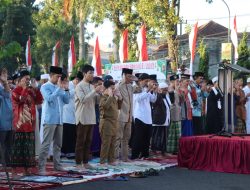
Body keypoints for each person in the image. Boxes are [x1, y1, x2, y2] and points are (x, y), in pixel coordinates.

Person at [11, 70, 43, 175]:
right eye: (26, 79)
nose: (28, 81)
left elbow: (39, 100)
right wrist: (25, 89)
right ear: (20, 80)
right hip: (19, 124)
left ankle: (27, 170)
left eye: (29, 79)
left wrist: (36, 89)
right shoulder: (15, 91)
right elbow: (21, 99)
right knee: (17, 148)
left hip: (30, 124)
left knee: (28, 148)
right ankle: (14, 172)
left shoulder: (30, 90)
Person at [38, 66, 69, 174]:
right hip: (50, 119)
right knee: (46, 144)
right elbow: (50, 98)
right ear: (51, 75)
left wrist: (66, 89)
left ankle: (57, 165)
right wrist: (59, 89)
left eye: (60, 77)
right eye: (57, 76)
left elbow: (66, 101)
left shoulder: (59, 86)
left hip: (60, 119)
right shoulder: (45, 86)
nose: (59, 79)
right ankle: (41, 167)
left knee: (58, 144)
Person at [75, 65, 103, 169]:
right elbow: (83, 99)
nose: (92, 75)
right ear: (84, 74)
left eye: (93, 73)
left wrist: (100, 94)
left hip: (91, 117)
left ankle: (85, 162)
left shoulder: (92, 87)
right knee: (80, 142)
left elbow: (97, 102)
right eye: (90, 73)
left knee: (88, 142)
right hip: (82, 117)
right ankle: (78, 163)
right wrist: (95, 91)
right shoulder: (79, 86)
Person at [131, 73, 157, 159]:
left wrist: (154, 91)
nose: (147, 83)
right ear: (140, 81)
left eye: (148, 81)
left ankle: (145, 154)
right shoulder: (136, 88)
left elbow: (153, 100)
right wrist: (148, 90)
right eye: (146, 81)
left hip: (148, 117)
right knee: (138, 137)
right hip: (139, 116)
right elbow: (138, 99)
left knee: (147, 137)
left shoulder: (147, 89)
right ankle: (135, 155)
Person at [99, 81, 122, 166]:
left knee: (113, 142)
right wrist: (111, 96)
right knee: (106, 143)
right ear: (106, 89)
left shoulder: (112, 98)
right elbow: (105, 107)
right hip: (106, 122)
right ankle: (102, 161)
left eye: (114, 88)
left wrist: (119, 97)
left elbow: (119, 107)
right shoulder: (103, 97)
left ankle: (111, 160)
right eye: (111, 89)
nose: (113, 90)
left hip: (114, 122)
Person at [62, 72, 83, 158]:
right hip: (66, 112)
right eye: (77, 80)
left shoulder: (78, 86)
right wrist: (76, 89)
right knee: (65, 134)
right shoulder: (69, 85)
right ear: (75, 79)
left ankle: (71, 152)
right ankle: (63, 152)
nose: (77, 82)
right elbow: (67, 95)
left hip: (75, 113)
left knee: (72, 134)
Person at [115, 68, 134, 162]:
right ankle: (114, 158)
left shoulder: (130, 86)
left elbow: (139, 88)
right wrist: (123, 80)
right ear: (123, 76)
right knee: (118, 138)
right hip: (121, 115)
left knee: (126, 138)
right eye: (128, 76)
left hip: (129, 116)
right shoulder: (118, 86)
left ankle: (124, 158)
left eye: (131, 76)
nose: (130, 78)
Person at [151, 82, 171, 155]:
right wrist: (158, 93)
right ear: (160, 90)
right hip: (158, 120)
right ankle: (154, 150)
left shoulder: (167, 97)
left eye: (166, 90)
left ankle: (163, 150)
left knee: (164, 136)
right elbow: (154, 103)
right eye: (164, 90)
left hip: (166, 119)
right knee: (156, 135)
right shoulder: (158, 96)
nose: (166, 91)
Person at [0, 67, 13, 168]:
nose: (6, 76)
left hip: (9, 118)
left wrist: (5, 83)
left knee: (9, 143)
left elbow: (8, 95)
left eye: (6, 74)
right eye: (3, 74)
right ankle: (3, 163)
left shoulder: (5, 86)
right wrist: (5, 83)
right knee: (2, 143)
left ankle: (8, 162)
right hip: (2, 119)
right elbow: (6, 94)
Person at [167, 75, 182, 154]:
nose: (178, 83)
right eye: (176, 81)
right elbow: (172, 101)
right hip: (172, 113)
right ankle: (171, 149)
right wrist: (176, 90)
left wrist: (178, 90)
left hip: (177, 112)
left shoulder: (176, 89)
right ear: (172, 82)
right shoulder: (170, 89)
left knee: (177, 133)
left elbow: (180, 100)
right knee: (173, 133)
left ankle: (176, 149)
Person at [90, 76, 103, 155]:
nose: (101, 86)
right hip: (91, 117)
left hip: (98, 117)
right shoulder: (91, 92)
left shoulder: (99, 93)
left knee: (98, 136)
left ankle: (97, 151)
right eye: (99, 84)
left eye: (102, 84)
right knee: (93, 136)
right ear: (94, 85)